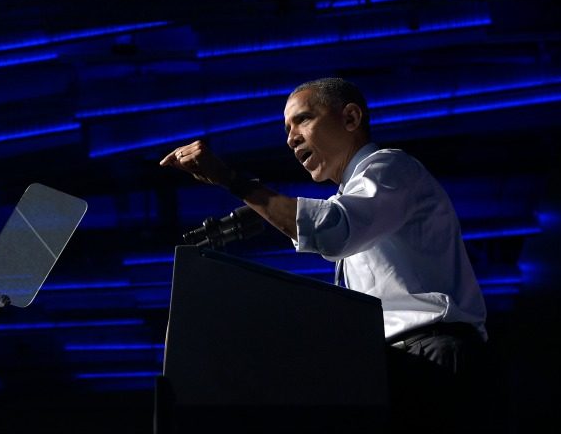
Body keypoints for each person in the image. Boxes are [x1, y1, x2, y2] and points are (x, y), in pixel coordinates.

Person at [159, 77, 488, 432]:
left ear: (350, 118)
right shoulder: (357, 198)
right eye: (286, 129)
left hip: (433, 361)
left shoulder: (391, 168)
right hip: (394, 367)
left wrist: (231, 179)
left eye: (302, 119)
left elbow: (333, 231)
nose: (290, 138)